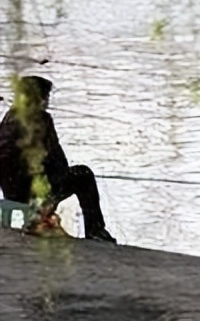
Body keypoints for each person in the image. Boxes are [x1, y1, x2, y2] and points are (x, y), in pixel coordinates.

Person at [0, 75, 116, 242]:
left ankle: (40, 216)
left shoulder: (9, 118)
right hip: (34, 191)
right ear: (40, 98)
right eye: (46, 97)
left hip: (12, 191)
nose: (47, 102)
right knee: (83, 175)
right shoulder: (42, 120)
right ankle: (95, 230)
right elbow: (56, 159)